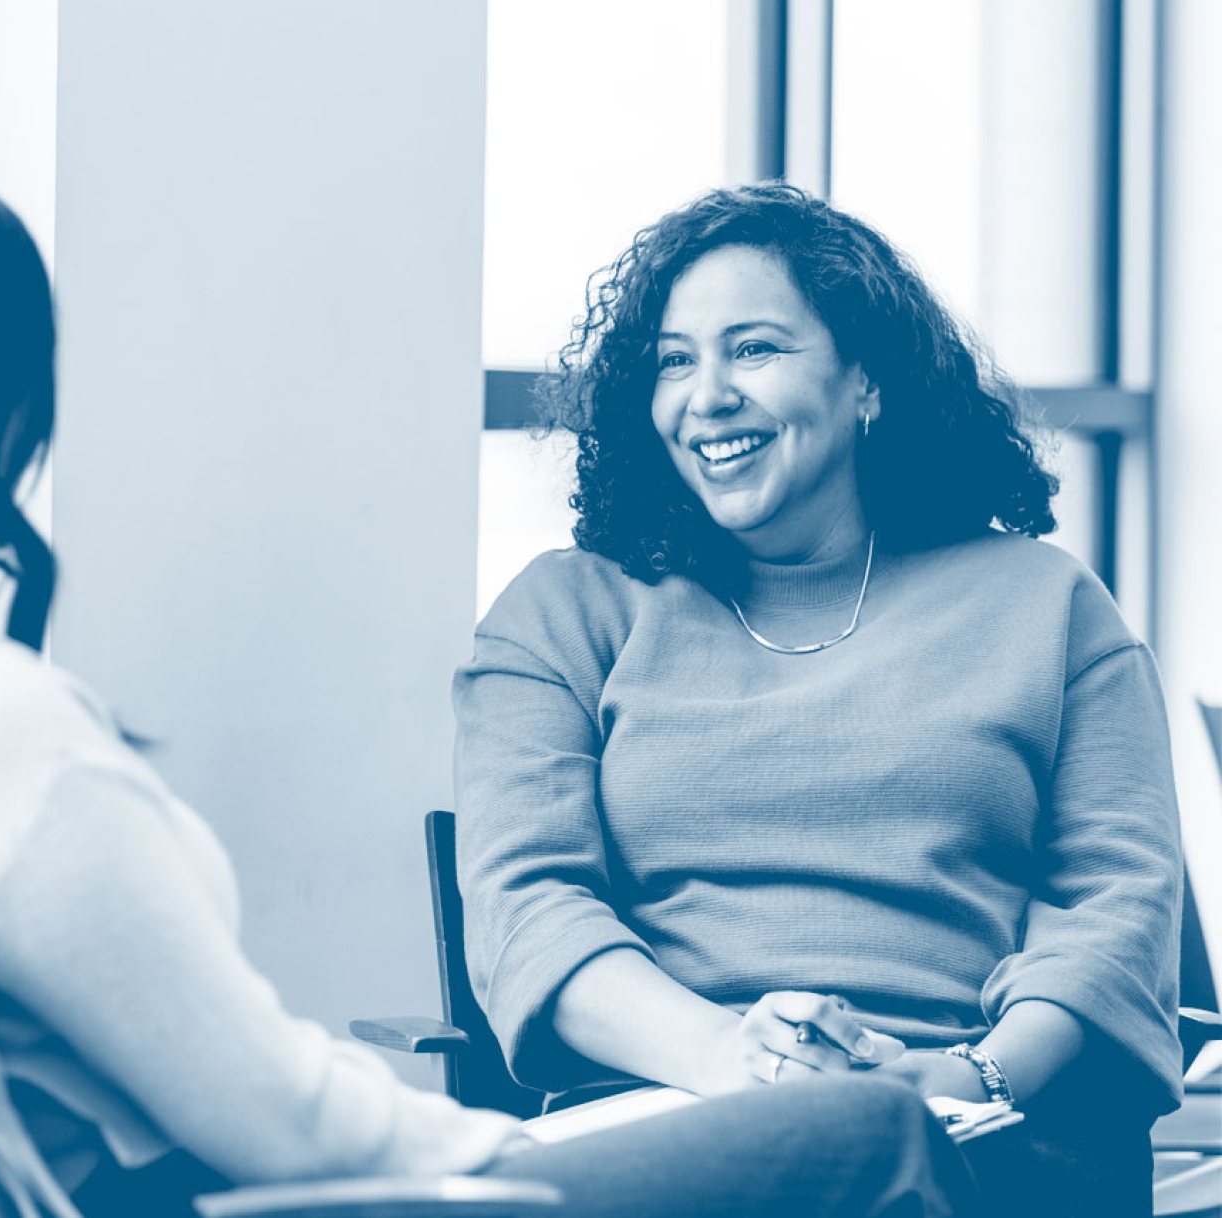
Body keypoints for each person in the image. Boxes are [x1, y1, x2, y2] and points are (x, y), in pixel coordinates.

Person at [0, 168, 973, 1218]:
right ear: (6, 415)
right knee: (868, 1138)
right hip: (326, 1198)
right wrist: (501, 1153)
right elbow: (277, 1117)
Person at [455, 184, 1184, 1217]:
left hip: (973, 1124)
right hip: (667, 1113)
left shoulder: (1046, 604)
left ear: (866, 384)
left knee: (874, 1147)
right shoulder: (563, 611)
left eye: (752, 349)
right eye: (673, 359)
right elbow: (529, 907)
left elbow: (1116, 908)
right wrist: (722, 1053)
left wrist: (969, 1078)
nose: (704, 395)